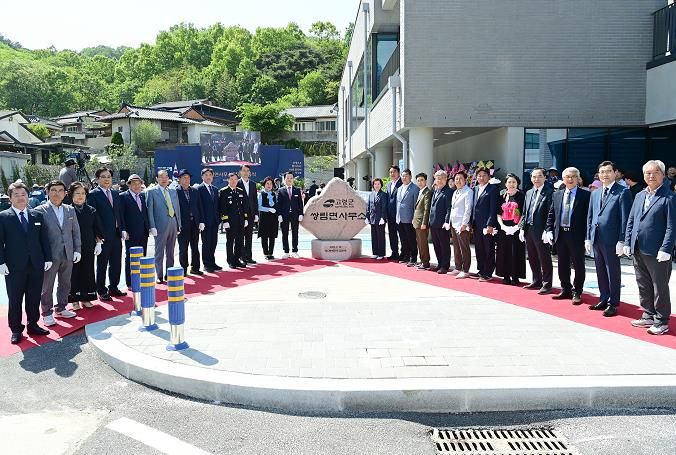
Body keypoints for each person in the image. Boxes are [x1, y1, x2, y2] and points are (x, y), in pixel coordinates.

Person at [624, 160, 675, 335]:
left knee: (659, 287)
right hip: (638, 248)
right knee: (643, 284)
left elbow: (671, 226)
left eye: (655, 172)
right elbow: (632, 220)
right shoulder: (640, 195)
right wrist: (628, 242)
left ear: (663, 175)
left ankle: (661, 321)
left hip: (657, 250)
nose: (651, 176)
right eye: (648, 173)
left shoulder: (669, 197)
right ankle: (648, 314)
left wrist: (666, 248)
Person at [0, 182, 52, 344]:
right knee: (15, 298)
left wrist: (48, 258)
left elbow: (44, 239)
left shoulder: (37, 215)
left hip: (36, 263)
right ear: (10, 198)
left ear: (28, 196)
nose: (20, 197)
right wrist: (1, 262)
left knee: (33, 296)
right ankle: (16, 329)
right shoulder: (3, 217)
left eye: (23, 194)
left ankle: (33, 324)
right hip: (14, 266)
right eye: (16, 195)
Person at [585, 161, 632, 317]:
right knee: (600, 270)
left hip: (612, 239)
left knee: (612, 272)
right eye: (602, 172)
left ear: (615, 173)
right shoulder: (595, 193)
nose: (605, 174)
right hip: (596, 237)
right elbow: (590, 216)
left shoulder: (622, 192)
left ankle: (613, 303)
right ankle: (603, 298)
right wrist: (588, 237)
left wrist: (622, 240)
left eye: (608, 171)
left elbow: (625, 218)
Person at [34, 180, 81, 326]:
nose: (57, 193)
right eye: (53, 190)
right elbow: (37, 236)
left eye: (60, 190)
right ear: (47, 192)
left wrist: (77, 250)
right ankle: (47, 312)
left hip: (68, 253)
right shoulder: (39, 211)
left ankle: (61, 307)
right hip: (49, 255)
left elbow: (75, 232)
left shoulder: (70, 210)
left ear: (65, 193)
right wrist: (42, 256)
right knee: (47, 285)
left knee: (65, 282)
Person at [544, 167, 591, 304]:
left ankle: (577, 291)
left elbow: (588, 217)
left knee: (578, 264)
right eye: (567, 177)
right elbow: (552, 214)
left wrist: (587, 237)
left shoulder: (586, 195)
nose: (570, 179)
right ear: (563, 179)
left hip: (577, 235)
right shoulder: (557, 194)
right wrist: (548, 229)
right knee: (562, 264)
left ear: (578, 179)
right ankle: (565, 289)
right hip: (560, 234)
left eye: (573, 176)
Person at [87, 167, 124, 301]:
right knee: (102, 264)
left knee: (116, 262)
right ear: (97, 179)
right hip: (102, 236)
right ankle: (101, 290)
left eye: (109, 176)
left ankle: (113, 287)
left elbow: (119, 213)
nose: (106, 179)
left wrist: (123, 229)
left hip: (116, 234)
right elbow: (93, 217)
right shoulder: (93, 194)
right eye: (103, 176)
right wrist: (97, 236)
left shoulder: (115, 193)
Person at [518, 168, 554, 294]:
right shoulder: (528, 192)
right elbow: (525, 212)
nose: (536, 179)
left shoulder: (549, 192)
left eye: (539, 176)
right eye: (534, 176)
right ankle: (536, 280)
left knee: (544, 257)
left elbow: (551, 213)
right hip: (529, 229)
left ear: (545, 178)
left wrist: (547, 229)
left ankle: (547, 284)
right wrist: (522, 228)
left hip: (541, 230)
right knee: (532, 256)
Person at [68, 182, 103, 309]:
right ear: (71, 194)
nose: (80, 196)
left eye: (83, 193)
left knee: (88, 271)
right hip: (72, 246)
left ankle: (86, 297)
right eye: (77, 193)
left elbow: (97, 227)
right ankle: (74, 299)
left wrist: (99, 243)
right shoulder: (67, 210)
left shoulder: (91, 210)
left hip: (88, 245)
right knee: (74, 273)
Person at [146, 169, 182, 283]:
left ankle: (169, 272)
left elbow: (177, 208)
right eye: (161, 176)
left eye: (166, 176)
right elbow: (150, 210)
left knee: (171, 251)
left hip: (173, 224)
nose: (164, 179)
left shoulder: (173, 191)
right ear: (157, 178)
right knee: (159, 251)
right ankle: (159, 275)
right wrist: (152, 226)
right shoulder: (151, 192)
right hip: (159, 226)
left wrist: (178, 224)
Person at [119, 174, 150, 286]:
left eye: (138, 184)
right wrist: (124, 230)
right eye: (134, 184)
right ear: (129, 185)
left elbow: (144, 213)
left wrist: (148, 227)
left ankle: (140, 279)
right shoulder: (123, 197)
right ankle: (130, 282)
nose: (136, 186)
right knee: (131, 257)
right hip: (130, 233)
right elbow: (121, 215)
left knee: (142, 256)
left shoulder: (142, 196)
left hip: (143, 232)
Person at [495, 174, 526, 285]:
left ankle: (515, 276)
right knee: (504, 251)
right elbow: (498, 213)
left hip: (516, 228)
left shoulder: (521, 196)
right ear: (505, 184)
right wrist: (502, 226)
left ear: (517, 183)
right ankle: (506, 275)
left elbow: (523, 213)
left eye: (513, 182)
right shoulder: (502, 196)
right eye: (509, 182)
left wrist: (517, 227)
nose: (511, 184)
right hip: (504, 228)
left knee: (515, 252)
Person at [472, 168, 499, 281]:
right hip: (476, 224)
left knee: (489, 249)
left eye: (484, 175)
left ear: (489, 177)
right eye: (479, 175)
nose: (481, 177)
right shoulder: (475, 188)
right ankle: (481, 270)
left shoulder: (493, 189)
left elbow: (493, 209)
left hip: (487, 225)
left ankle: (488, 272)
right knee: (479, 248)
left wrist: (490, 224)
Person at [176, 169, 204, 276]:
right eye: (184, 178)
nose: (186, 180)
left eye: (188, 178)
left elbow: (200, 207)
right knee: (183, 248)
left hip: (194, 224)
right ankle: (183, 269)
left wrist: (201, 221)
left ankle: (195, 268)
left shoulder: (194, 191)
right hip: (183, 225)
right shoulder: (175, 191)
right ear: (179, 179)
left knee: (195, 247)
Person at [220, 172, 249, 268]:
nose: (233, 181)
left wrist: (245, 218)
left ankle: (237, 259)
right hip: (230, 222)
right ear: (228, 180)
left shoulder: (240, 191)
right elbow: (223, 207)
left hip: (240, 221)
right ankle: (230, 260)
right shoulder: (224, 191)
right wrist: (225, 220)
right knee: (230, 241)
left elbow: (244, 206)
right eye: (231, 179)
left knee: (239, 241)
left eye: (235, 179)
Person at [196, 168, 222, 273]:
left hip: (215, 221)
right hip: (205, 222)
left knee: (213, 242)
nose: (208, 177)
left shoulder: (215, 189)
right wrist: (201, 221)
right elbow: (199, 206)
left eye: (210, 175)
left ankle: (212, 262)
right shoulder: (199, 189)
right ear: (202, 176)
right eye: (206, 175)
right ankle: (206, 264)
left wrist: (219, 219)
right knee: (206, 243)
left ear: (212, 176)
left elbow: (217, 206)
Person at [449, 171, 473, 278]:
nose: (458, 181)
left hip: (462, 224)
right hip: (454, 223)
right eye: (456, 179)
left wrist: (464, 223)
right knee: (456, 247)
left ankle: (466, 270)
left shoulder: (468, 192)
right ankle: (458, 267)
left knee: (464, 248)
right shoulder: (455, 192)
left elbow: (468, 209)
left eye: (460, 178)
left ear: (465, 180)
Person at [429, 170, 453, 274]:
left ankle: (445, 265)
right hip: (433, 223)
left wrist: (447, 221)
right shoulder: (435, 190)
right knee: (436, 245)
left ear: (445, 179)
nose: (438, 180)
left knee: (444, 246)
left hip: (442, 224)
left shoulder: (449, 191)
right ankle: (439, 263)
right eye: (437, 178)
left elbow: (449, 208)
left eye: (441, 178)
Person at [395, 169, 420, 266]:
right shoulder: (399, 188)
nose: (404, 178)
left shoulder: (415, 188)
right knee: (403, 239)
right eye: (403, 176)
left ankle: (413, 258)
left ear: (410, 177)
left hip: (409, 218)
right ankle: (405, 256)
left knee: (411, 239)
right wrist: (397, 216)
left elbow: (415, 205)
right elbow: (398, 203)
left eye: (406, 176)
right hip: (400, 218)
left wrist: (414, 217)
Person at [277, 171, 303, 259]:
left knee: (295, 233)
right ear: (284, 179)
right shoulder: (280, 190)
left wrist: (301, 213)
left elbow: (300, 203)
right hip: (284, 215)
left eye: (291, 178)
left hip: (295, 215)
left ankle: (295, 251)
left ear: (293, 179)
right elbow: (278, 204)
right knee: (285, 233)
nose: (289, 179)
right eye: (287, 178)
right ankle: (286, 251)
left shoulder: (297, 190)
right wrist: (279, 215)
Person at [237, 165, 259, 265]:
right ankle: (241, 257)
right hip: (240, 215)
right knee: (240, 236)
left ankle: (248, 256)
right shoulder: (237, 183)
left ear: (250, 172)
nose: (246, 172)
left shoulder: (253, 184)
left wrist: (256, 214)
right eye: (244, 170)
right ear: (240, 172)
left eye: (247, 171)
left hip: (250, 214)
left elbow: (255, 200)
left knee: (249, 236)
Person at [412, 172, 432, 270]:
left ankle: (425, 262)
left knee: (423, 243)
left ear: (426, 181)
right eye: (418, 181)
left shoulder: (427, 192)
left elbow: (426, 209)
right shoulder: (420, 191)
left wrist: (424, 222)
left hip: (422, 223)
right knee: (419, 243)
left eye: (422, 180)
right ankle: (422, 260)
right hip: (417, 222)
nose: (420, 182)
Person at [366, 177, 388, 259]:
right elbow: (369, 207)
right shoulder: (371, 194)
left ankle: (381, 254)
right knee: (374, 236)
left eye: (378, 184)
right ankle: (375, 252)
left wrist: (383, 217)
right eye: (375, 184)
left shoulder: (383, 195)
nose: (377, 185)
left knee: (380, 237)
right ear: (373, 185)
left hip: (380, 219)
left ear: (381, 185)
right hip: (372, 218)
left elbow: (384, 207)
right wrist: (367, 217)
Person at [258, 176, 279, 260]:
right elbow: (259, 207)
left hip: (273, 218)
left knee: (272, 235)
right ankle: (266, 253)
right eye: (267, 183)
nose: (269, 185)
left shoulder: (274, 194)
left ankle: (271, 253)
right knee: (264, 236)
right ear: (264, 184)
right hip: (264, 218)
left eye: (270, 184)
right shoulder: (261, 194)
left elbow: (276, 205)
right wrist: (269, 209)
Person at [385, 166, 403, 260]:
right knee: (392, 234)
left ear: (398, 173)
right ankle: (394, 252)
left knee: (402, 235)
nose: (392, 174)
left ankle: (404, 254)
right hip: (390, 215)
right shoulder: (388, 184)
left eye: (394, 172)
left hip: (399, 215)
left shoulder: (402, 183)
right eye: (391, 172)